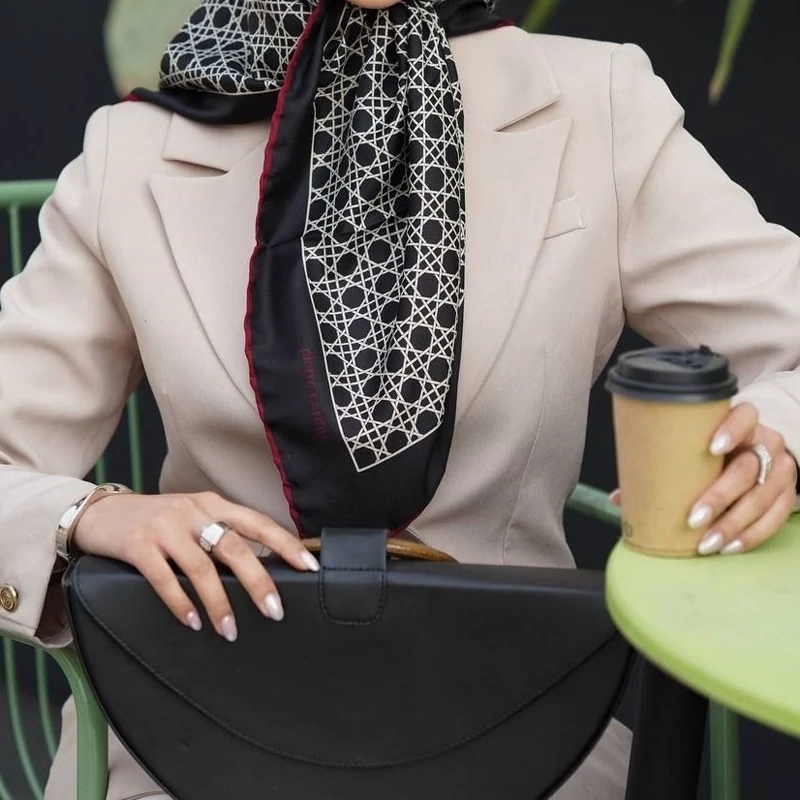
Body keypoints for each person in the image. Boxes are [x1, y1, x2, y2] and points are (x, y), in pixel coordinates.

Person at [1, 0, 799, 796]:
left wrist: (776, 441)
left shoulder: (603, 106)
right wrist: (86, 516)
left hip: (519, 723)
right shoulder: (132, 149)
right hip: (178, 723)